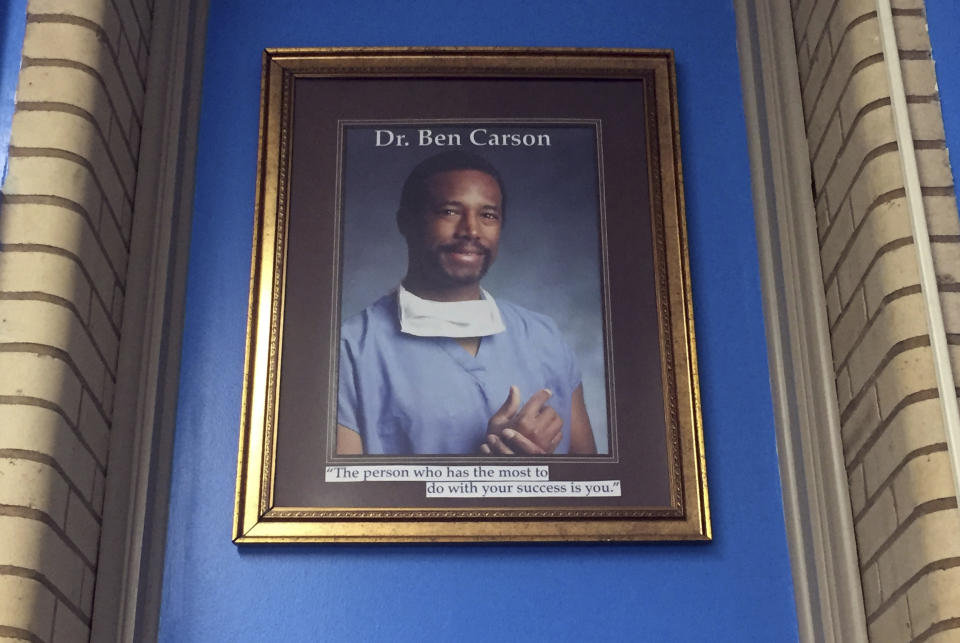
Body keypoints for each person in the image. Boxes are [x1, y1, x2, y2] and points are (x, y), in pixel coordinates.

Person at [336, 151, 597, 456]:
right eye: (449, 211)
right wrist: (489, 471)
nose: (471, 231)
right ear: (405, 221)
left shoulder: (543, 336)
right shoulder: (350, 350)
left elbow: (595, 480)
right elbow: (345, 496)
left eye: (488, 215)